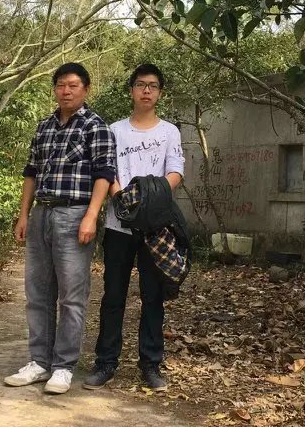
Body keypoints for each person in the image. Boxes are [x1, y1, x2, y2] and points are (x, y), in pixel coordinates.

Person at [4, 63, 116, 394]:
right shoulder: (44, 126)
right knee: (37, 292)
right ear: (55, 89)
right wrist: (24, 214)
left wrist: (91, 216)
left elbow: (104, 174)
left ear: (86, 89)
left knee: (71, 296)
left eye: (73, 85)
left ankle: (64, 366)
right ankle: (39, 362)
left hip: (74, 213)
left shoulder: (96, 126)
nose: (66, 91)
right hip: (42, 214)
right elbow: (31, 172)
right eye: (61, 85)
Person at [84, 63, 184, 392]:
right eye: (140, 84)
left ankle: (150, 364)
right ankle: (106, 362)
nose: (146, 90)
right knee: (114, 295)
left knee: (153, 297)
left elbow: (175, 172)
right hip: (119, 226)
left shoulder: (169, 132)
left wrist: (150, 200)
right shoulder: (115, 130)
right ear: (131, 90)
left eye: (152, 86)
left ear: (160, 93)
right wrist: (123, 200)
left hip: (156, 228)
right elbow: (107, 169)